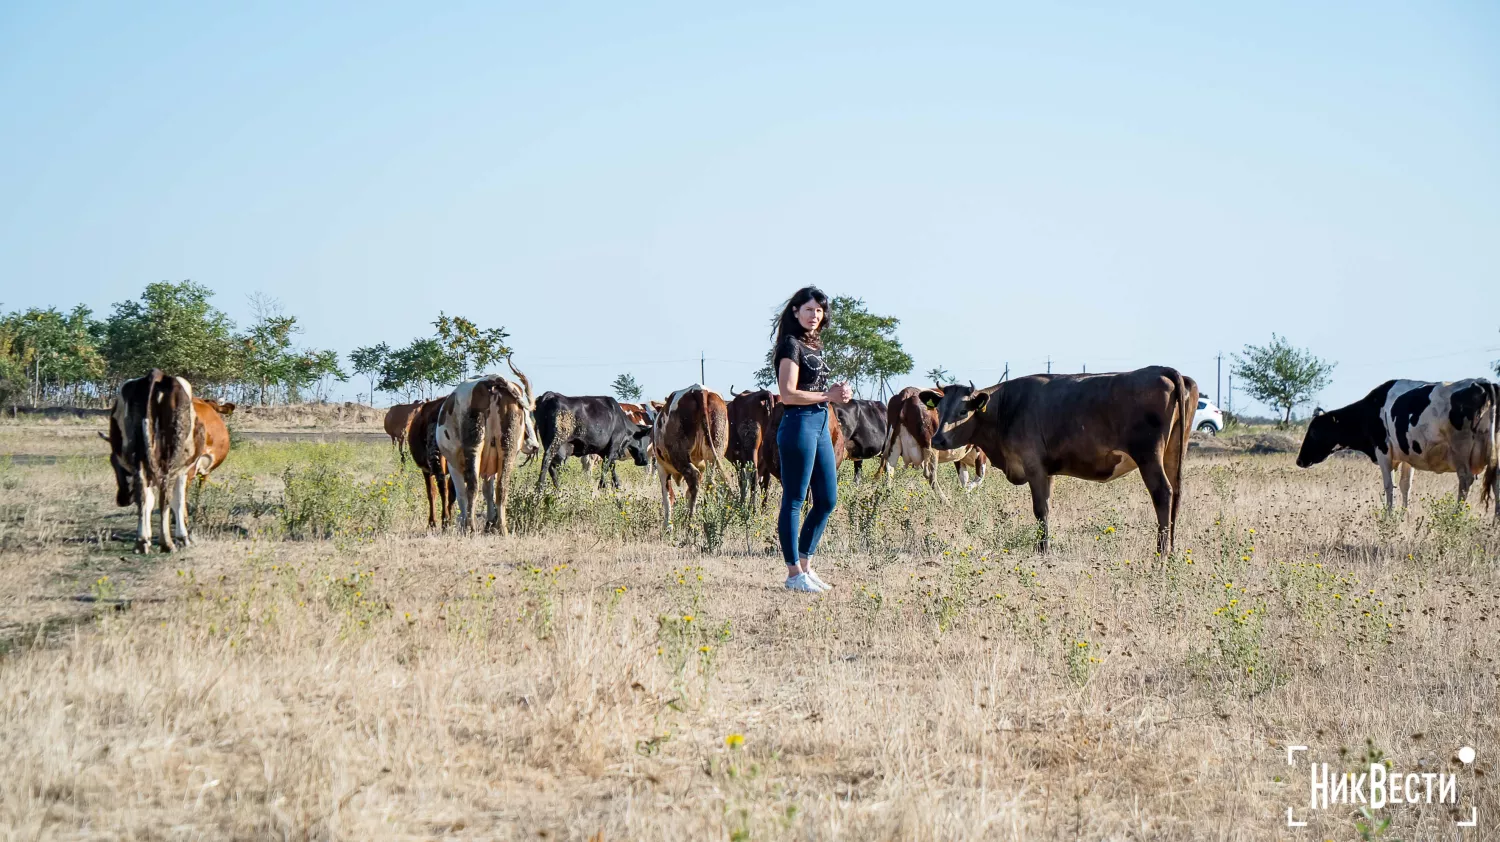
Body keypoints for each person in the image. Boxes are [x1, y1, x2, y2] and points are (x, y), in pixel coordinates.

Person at [771, 287, 853, 593]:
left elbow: (816, 387)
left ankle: (805, 565)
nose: (814, 316)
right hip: (798, 424)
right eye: (808, 310)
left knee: (827, 499)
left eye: (819, 311)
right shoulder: (790, 345)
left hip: (820, 422)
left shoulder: (813, 345)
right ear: (795, 311)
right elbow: (788, 393)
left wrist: (838, 393)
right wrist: (827, 395)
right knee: (794, 499)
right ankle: (793, 574)